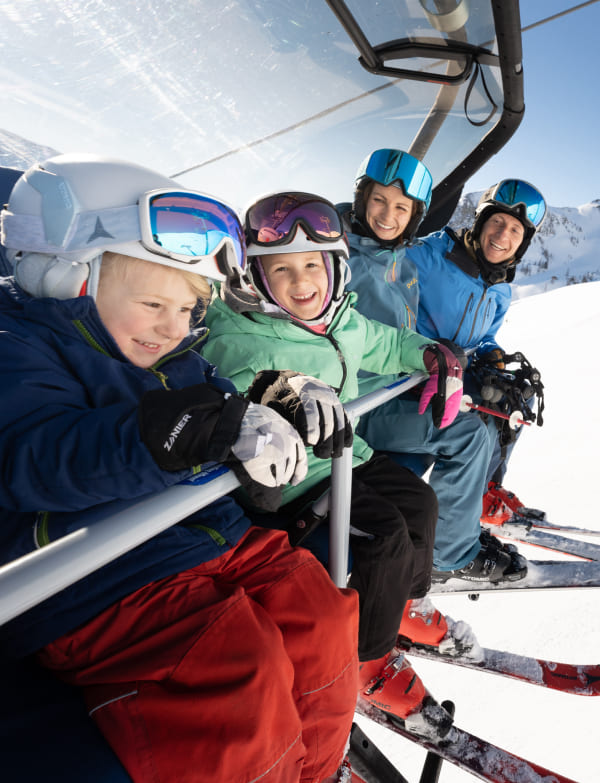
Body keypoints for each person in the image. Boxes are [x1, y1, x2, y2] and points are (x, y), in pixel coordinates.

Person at [0, 154, 362, 783]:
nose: (172, 328)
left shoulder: (173, 355)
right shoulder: (21, 347)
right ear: (66, 276)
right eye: (152, 303)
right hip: (99, 575)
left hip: (205, 540)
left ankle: (316, 772)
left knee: (319, 613)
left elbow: (221, 404)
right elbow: (33, 454)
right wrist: (173, 433)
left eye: (190, 310)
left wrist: (274, 398)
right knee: (239, 669)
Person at [202, 190, 474, 737]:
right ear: (257, 275)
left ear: (334, 268)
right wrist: (282, 390)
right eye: (281, 269)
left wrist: (430, 354)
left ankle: (394, 605)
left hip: (349, 454)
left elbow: (385, 343)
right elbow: (231, 384)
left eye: (312, 265)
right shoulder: (239, 332)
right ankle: (365, 661)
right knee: (383, 537)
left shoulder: (340, 320)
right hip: (295, 479)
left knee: (420, 502)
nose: (301, 282)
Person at [337, 149, 545, 584]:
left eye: (514, 230)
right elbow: (383, 305)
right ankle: (451, 550)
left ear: (523, 242)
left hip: (435, 368)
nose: (502, 235)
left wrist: (492, 355)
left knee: (513, 402)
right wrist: (432, 352)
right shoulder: (426, 255)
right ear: (480, 222)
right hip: (404, 377)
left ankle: (479, 496)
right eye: (497, 222)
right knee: (473, 426)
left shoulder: (500, 288)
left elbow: (484, 336)